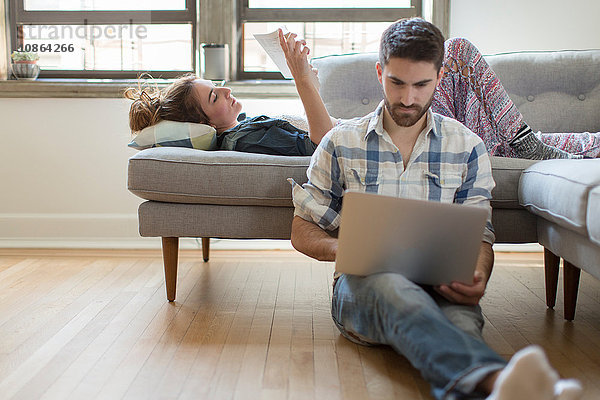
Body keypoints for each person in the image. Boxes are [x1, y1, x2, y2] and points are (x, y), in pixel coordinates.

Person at [289, 18, 583, 400]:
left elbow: (480, 237)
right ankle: (499, 381)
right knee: (394, 288)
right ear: (380, 72)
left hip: (441, 289)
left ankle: (491, 388)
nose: (408, 99)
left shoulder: (468, 146)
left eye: (421, 85)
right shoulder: (341, 142)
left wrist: (477, 273)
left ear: (440, 77)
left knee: (460, 323)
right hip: (365, 286)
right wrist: (338, 249)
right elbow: (301, 228)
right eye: (397, 83)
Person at [125, 30, 599, 160]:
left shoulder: (244, 130)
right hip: (397, 137)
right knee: (456, 50)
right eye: (214, 97)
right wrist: (302, 76)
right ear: (206, 124)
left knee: (577, 145)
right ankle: (521, 140)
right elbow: (321, 145)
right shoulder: (244, 141)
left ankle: (523, 142)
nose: (225, 91)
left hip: (408, 130)